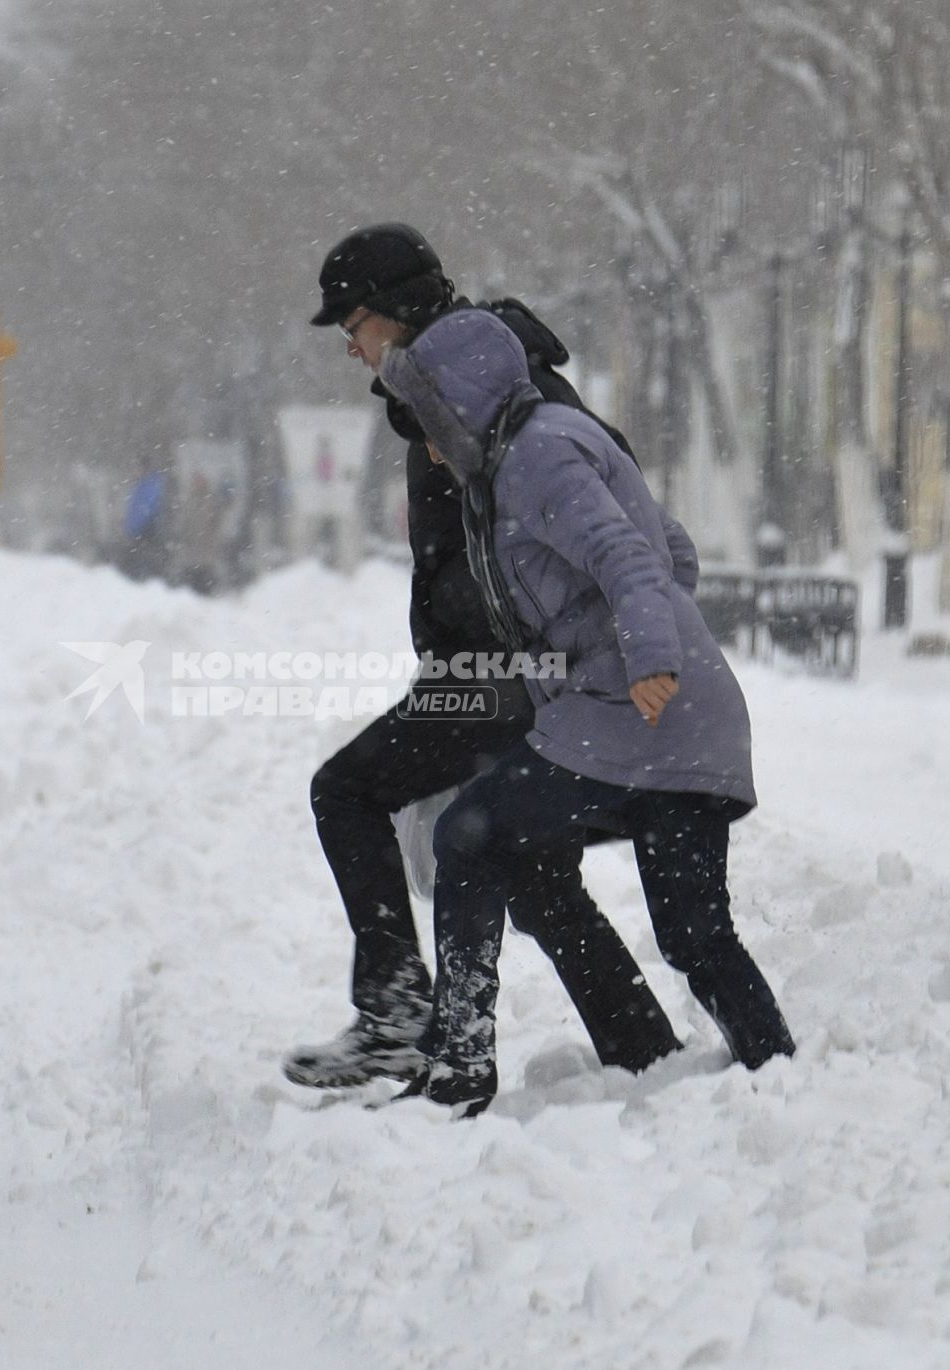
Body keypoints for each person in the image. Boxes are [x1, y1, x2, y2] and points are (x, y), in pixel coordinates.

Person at [282, 225, 683, 1093]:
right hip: (496, 674)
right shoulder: (452, 388)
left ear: (396, 311)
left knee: (346, 791)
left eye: (354, 324)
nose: (350, 347)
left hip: (507, 678)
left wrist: (579, 645)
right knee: (530, 870)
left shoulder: (504, 390)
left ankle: (399, 1017)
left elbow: (615, 504)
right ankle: (643, 1053)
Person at [371, 304, 795, 1116]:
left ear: (461, 407)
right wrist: (637, 646)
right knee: (694, 936)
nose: (426, 446)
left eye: (429, 423)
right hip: (692, 717)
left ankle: (459, 1067)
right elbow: (673, 549)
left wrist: (647, 659)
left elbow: (628, 554)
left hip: (638, 708)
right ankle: (771, 1075)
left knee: (471, 835)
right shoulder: (551, 445)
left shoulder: (537, 460)